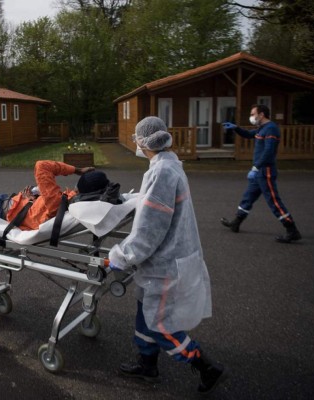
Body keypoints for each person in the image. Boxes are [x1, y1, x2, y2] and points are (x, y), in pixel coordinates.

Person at [107, 116, 228, 395]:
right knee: (144, 312)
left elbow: (149, 230)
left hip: (164, 264)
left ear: (144, 141)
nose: (135, 142)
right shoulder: (167, 165)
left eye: (137, 137)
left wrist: (121, 256)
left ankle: (205, 366)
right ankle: (147, 363)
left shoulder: (161, 173)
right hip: (164, 259)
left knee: (160, 324)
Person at [221, 104, 302, 243]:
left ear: (262, 114)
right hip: (259, 171)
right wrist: (236, 128)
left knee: (274, 201)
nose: (251, 117)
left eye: (253, 114)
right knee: (248, 197)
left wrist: (256, 167)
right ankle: (236, 223)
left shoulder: (271, 129)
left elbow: (269, 152)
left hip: (265, 171)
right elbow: (249, 134)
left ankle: (292, 229)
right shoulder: (262, 128)